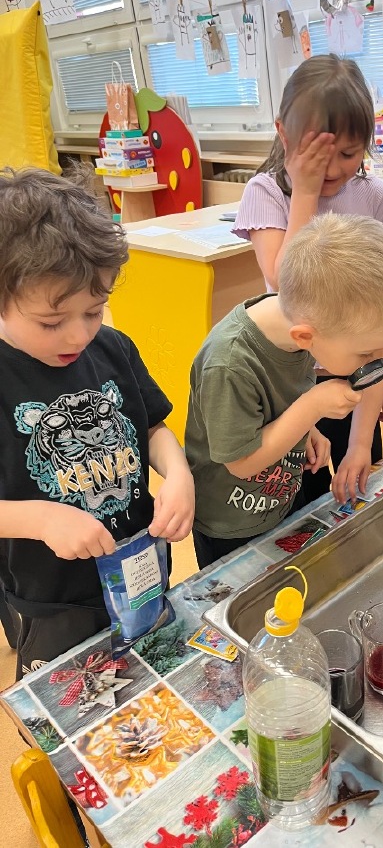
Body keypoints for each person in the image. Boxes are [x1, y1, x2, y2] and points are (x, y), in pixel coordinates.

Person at [0, 168, 195, 679]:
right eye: (51, 322)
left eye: (94, 311)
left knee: (149, 680)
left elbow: (152, 427)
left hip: (140, 565)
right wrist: (41, 520)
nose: (78, 336)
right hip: (55, 603)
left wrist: (178, 473)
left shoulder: (113, 349)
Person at [185, 214, 383, 570]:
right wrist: (311, 409)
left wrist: (307, 430)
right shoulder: (229, 364)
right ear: (305, 337)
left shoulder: (298, 328)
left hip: (279, 498)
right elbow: (241, 462)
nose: (373, 362)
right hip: (231, 522)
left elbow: (279, 401)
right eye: (365, 353)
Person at [233, 54, 383, 503]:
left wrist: (364, 433)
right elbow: (286, 283)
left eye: (348, 154)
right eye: (316, 155)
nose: (332, 169)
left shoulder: (372, 194)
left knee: (359, 485)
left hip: (360, 373)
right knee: (301, 503)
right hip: (293, 385)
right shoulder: (267, 192)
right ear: (284, 135)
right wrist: (304, 191)